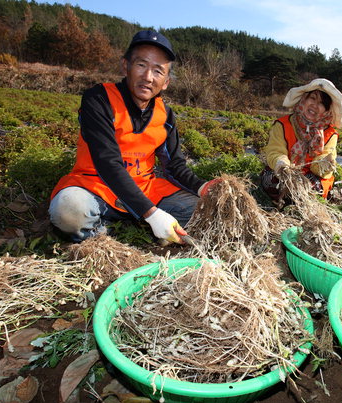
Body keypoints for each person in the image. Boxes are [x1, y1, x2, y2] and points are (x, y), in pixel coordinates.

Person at [49, 30, 217, 244]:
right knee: (68, 210)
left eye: (158, 71)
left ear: (166, 82)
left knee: (204, 211)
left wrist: (204, 188)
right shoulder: (99, 99)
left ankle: (130, 224)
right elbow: (108, 163)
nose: (148, 77)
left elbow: (175, 167)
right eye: (141, 65)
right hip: (96, 186)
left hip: (145, 188)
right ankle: (106, 235)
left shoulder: (164, 114)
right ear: (125, 66)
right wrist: (152, 214)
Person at [260, 78, 342, 203]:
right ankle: (288, 200)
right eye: (312, 98)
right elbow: (275, 151)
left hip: (311, 176)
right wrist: (282, 165)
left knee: (312, 188)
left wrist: (324, 164)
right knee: (271, 180)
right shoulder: (283, 124)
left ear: (327, 111)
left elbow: (323, 161)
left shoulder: (330, 134)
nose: (315, 105)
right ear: (303, 100)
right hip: (285, 173)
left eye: (322, 103)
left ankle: (293, 201)